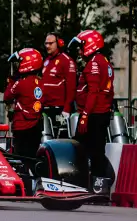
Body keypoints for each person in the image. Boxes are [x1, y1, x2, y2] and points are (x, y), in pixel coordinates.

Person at [68, 29, 114, 190]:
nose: (80, 51)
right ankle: (97, 186)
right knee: (95, 150)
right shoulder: (104, 61)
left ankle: (89, 185)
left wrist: (85, 116)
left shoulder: (94, 63)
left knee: (79, 149)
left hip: (94, 114)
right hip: (99, 113)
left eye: (81, 47)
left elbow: (93, 91)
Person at [4, 48, 44, 163]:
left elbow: (7, 96)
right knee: (32, 156)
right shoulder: (41, 82)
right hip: (36, 125)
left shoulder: (20, 83)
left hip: (22, 127)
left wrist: (11, 81)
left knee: (20, 159)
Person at [42, 32, 77, 129]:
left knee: (60, 139)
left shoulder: (67, 61)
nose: (47, 46)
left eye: (50, 43)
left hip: (59, 109)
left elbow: (71, 88)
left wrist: (66, 109)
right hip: (45, 108)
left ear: (59, 43)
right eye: (46, 43)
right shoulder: (46, 61)